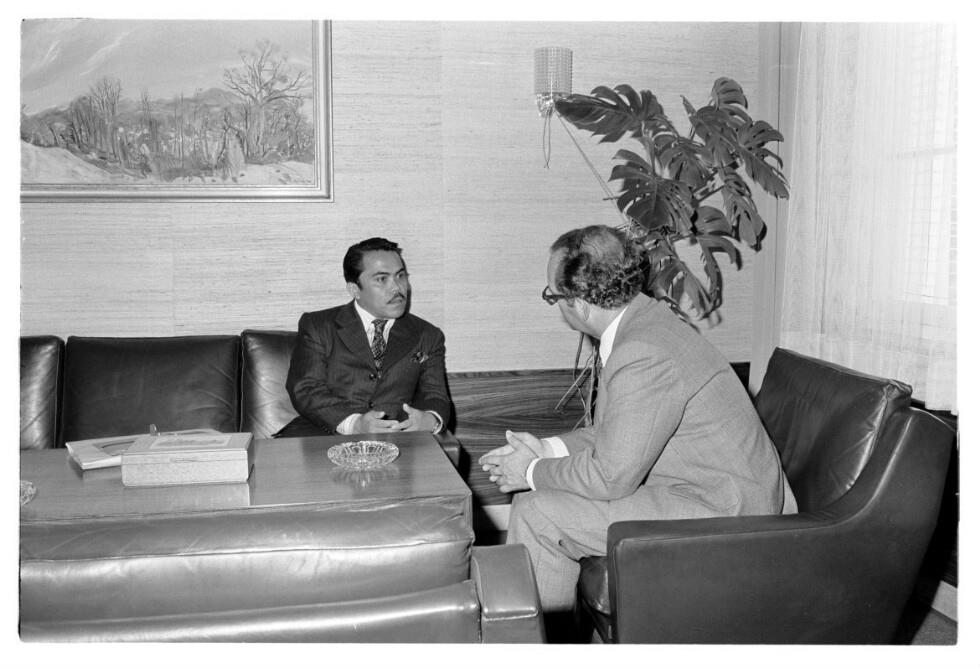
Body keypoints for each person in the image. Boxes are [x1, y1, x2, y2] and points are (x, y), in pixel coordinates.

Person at [480, 225, 797, 620]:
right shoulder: (645, 323)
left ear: (579, 304)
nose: (557, 305)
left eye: (553, 296)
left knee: (538, 513)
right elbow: (621, 432)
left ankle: (530, 644)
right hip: (702, 488)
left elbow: (612, 476)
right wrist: (547, 449)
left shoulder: (642, 351)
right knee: (535, 505)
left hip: (726, 512)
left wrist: (530, 471)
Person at [277, 237, 451, 437]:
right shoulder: (318, 326)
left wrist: (430, 420)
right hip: (325, 436)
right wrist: (355, 424)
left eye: (400, 276)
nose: (397, 288)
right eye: (382, 279)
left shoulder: (427, 335)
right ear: (354, 289)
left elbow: (434, 394)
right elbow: (306, 389)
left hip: (396, 439)